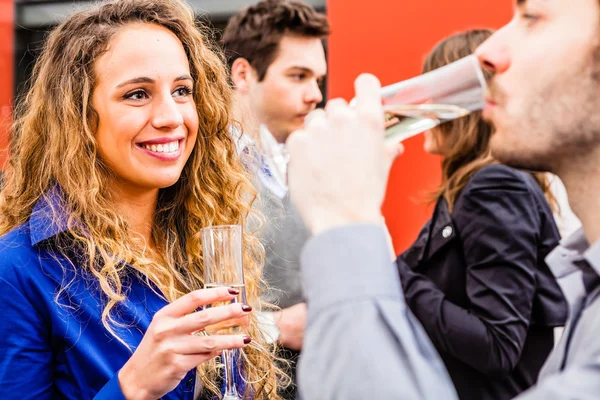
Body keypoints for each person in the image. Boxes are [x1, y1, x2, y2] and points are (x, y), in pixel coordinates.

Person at [288, 0, 600, 398]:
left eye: (532, 16)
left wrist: (346, 226)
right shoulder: (587, 294)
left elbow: (498, 344)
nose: (486, 55)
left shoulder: (492, 187)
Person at [0, 0, 283, 398]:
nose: (171, 116)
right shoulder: (18, 269)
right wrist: (133, 386)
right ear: (79, 116)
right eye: (137, 94)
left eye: (182, 90)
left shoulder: (200, 240)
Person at [396, 29, 567, 400]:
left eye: (434, 89)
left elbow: (497, 345)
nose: (423, 102)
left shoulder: (493, 188)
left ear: (465, 103)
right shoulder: (469, 188)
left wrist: (391, 271)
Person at [222, 1, 329, 397]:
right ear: (244, 73)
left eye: (317, 78)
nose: (315, 94)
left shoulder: (311, 156)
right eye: (298, 76)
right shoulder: (197, 168)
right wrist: (274, 326)